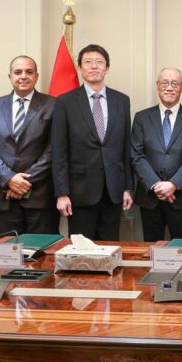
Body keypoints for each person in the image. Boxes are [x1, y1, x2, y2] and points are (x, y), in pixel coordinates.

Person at [51, 44, 133, 240]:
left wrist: (128, 187)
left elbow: (126, 147)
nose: (94, 66)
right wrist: (62, 193)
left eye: (99, 62)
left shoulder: (122, 100)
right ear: (80, 68)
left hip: (113, 191)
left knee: (110, 247)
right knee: (81, 250)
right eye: (88, 62)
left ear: (107, 68)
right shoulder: (65, 102)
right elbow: (59, 151)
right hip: (79, 192)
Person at [0, 55, 58, 235]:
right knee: (7, 249)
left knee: (41, 250)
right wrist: (10, 179)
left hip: (40, 196)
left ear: (36, 76)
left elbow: (54, 149)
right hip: (4, 196)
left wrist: (24, 182)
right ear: (10, 77)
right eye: (18, 72)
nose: (23, 76)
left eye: (29, 72)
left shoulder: (53, 105)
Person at [131, 67, 182, 241]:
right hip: (151, 197)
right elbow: (136, 155)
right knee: (152, 249)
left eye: (174, 83)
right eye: (165, 83)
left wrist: (173, 184)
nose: (169, 88)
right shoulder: (142, 118)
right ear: (158, 85)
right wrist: (156, 184)